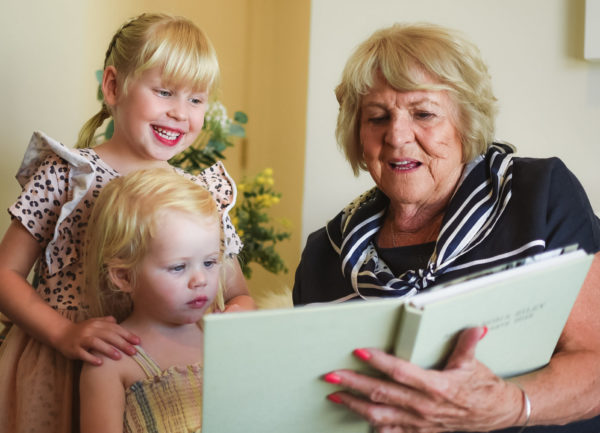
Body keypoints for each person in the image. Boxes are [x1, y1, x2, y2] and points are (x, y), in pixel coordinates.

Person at [293, 23, 600, 432]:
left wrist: (509, 406)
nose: (398, 136)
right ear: (357, 135)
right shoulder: (324, 255)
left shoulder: (537, 196)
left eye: (424, 114)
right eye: (378, 117)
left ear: (465, 123)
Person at [0, 12, 254, 433]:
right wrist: (64, 333)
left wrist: (233, 321)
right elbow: (4, 274)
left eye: (196, 99)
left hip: (154, 378)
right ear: (114, 86)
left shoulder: (198, 197)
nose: (179, 113)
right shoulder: (67, 177)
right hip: (60, 366)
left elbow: (237, 293)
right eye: (165, 92)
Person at [80, 168, 225, 433]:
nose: (200, 280)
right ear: (124, 277)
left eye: (209, 262)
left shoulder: (224, 339)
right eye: (178, 267)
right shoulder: (113, 361)